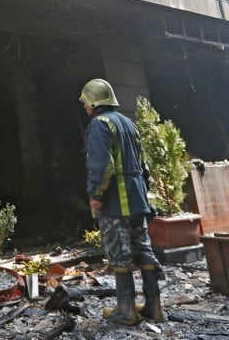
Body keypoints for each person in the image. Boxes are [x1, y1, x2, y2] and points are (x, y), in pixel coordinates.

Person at [79, 78, 163, 325]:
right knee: (144, 250)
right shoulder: (128, 123)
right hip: (138, 200)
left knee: (120, 255)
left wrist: (95, 195)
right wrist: (145, 194)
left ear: (94, 103)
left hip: (117, 202)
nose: (84, 107)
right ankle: (154, 308)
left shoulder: (99, 124)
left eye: (86, 103)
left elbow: (102, 166)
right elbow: (144, 166)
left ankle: (126, 311)